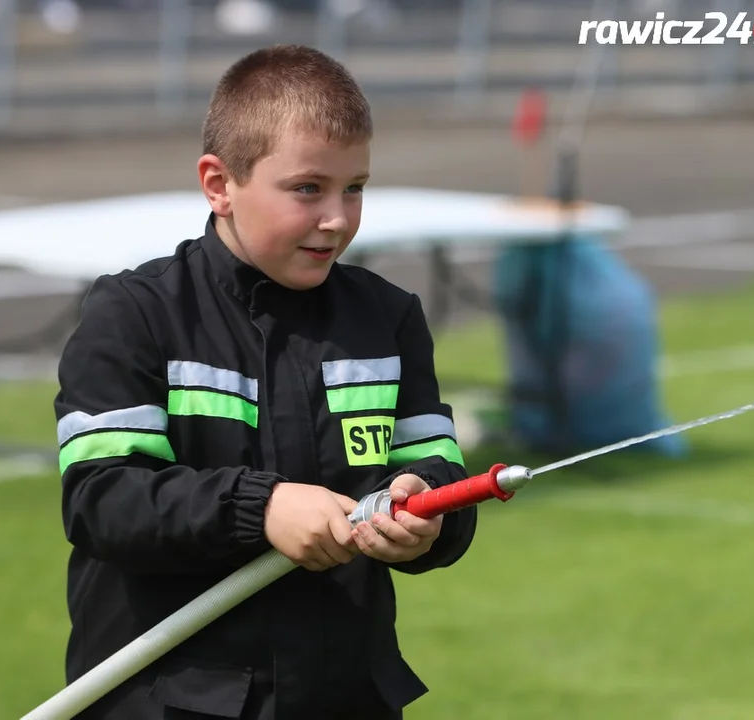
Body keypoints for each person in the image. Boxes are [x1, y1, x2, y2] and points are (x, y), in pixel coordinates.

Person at [53, 43, 478, 720]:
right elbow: (105, 500)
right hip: (167, 702)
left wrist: (429, 515)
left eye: (355, 187)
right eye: (307, 188)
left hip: (344, 698)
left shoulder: (387, 317)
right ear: (219, 184)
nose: (337, 217)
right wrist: (263, 507)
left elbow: (436, 471)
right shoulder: (136, 314)